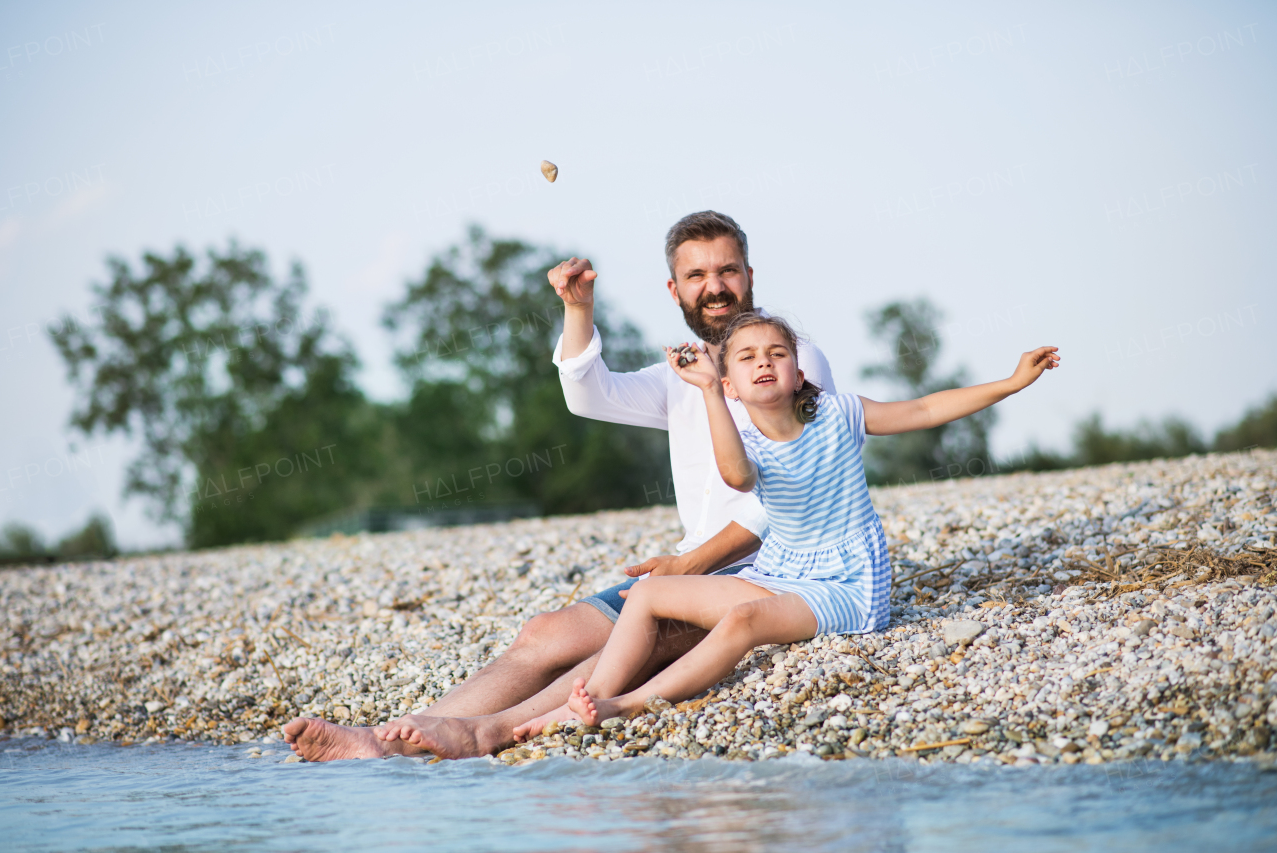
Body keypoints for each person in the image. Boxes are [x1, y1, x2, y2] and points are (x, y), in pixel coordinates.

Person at [283, 211, 838, 761]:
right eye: (697, 277)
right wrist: (577, 310)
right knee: (542, 634)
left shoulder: (789, 363)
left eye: (727, 271)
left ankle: (483, 734)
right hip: (689, 569)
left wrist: (691, 564)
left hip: (768, 572)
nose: (714, 288)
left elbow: (801, 487)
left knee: (631, 645)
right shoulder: (681, 373)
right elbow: (588, 396)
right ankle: (388, 740)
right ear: (675, 290)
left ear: (749, 275)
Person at [512, 313, 1059, 733]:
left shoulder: (840, 413)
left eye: (777, 352)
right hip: (782, 571)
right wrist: (703, 389)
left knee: (745, 621)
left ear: (799, 373)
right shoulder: (744, 440)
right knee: (648, 594)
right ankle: (581, 704)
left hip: (847, 584)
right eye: (746, 357)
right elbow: (737, 475)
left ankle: (623, 705)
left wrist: (1010, 383)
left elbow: (922, 410)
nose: (764, 361)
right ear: (731, 384)